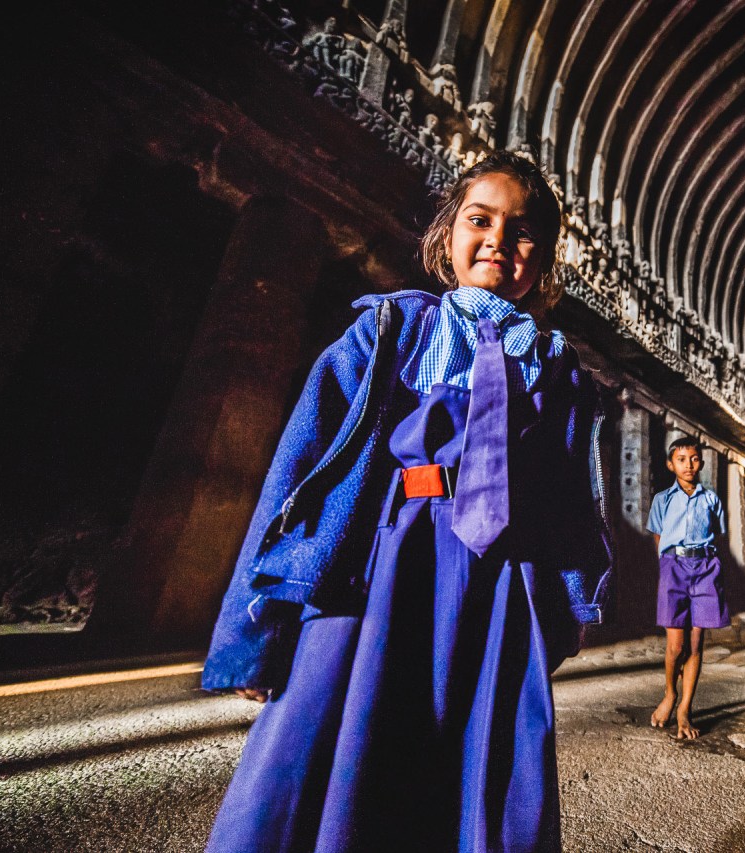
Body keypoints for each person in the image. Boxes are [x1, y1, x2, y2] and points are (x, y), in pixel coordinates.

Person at [200, 150, 611, 853]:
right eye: (480, 220)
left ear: (542, 258)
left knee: (470, 767)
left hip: (497, 588)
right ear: (448, 235)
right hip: (381, 564)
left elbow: (576, 500)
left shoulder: (557, 364)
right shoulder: (390, 329)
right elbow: (298, 470)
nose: (498, 242)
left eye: (522, 232)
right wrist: (254, 630)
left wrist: (571, 612)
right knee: (338, 750)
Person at [645, 437, 728, 740]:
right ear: (671, 464)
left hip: (705, 568)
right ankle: (669, 694)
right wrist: (670, 566)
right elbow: (657, 536)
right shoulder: (662, 499)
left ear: (701, 463)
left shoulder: (711, 499)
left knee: (695, 646)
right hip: (674, 568)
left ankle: (684, 709)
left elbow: (717, 534)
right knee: (675, 647)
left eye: (694, 459)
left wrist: (702, 564)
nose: (688, 465)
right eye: (681, 459)